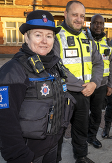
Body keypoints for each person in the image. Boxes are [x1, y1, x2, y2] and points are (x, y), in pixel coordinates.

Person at [0, 10, 76, 163]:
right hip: (28, 154)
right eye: (38, 35)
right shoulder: (13, 71)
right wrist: (21, 157)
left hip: (52, 148)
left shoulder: (54, 66)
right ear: (27, 37)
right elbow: (5, 121)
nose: (44, 41)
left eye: (49, 36)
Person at [54, 1, 104, 163]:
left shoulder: (87, 37)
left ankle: (81, 157)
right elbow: (56, 66)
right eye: (75, 15)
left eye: (82, 16)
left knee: (81, 128)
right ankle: (54, 159)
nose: (78, 19)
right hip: (63, 93)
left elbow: (99, 63)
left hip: (85, 93)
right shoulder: (56, 36)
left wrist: (94, 83)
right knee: (57, 131)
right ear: (65, 14)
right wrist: (84, 86)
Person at [87, 14, 112, 148]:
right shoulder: (84, 39)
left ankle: (91, 137)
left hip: (102, 86)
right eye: (95, 23)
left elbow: (111, 65)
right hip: (85, 85)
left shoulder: (108, 42)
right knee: (81, 114)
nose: (98, 26)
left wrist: (111, 84)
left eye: (101, 23)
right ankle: (81, 137)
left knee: (96, 113)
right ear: (90, 24)